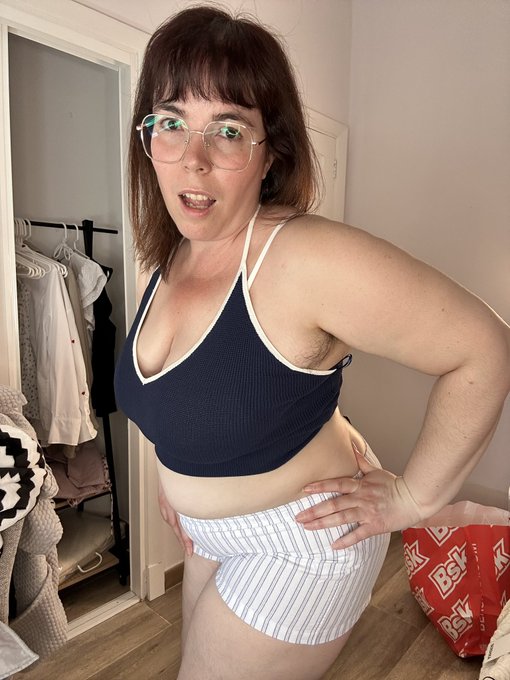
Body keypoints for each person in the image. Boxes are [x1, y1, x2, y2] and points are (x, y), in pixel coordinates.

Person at [114, 6, 510, 679]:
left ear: (271, 151)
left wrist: (414, 499)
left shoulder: (302, 258)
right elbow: (188, 399)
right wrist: (173, 483)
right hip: (208, 533)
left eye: (228, 130)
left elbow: (486, 348)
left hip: (297, 541)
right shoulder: (173, 254)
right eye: (172, 122)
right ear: (147, 136)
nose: (193, 160)